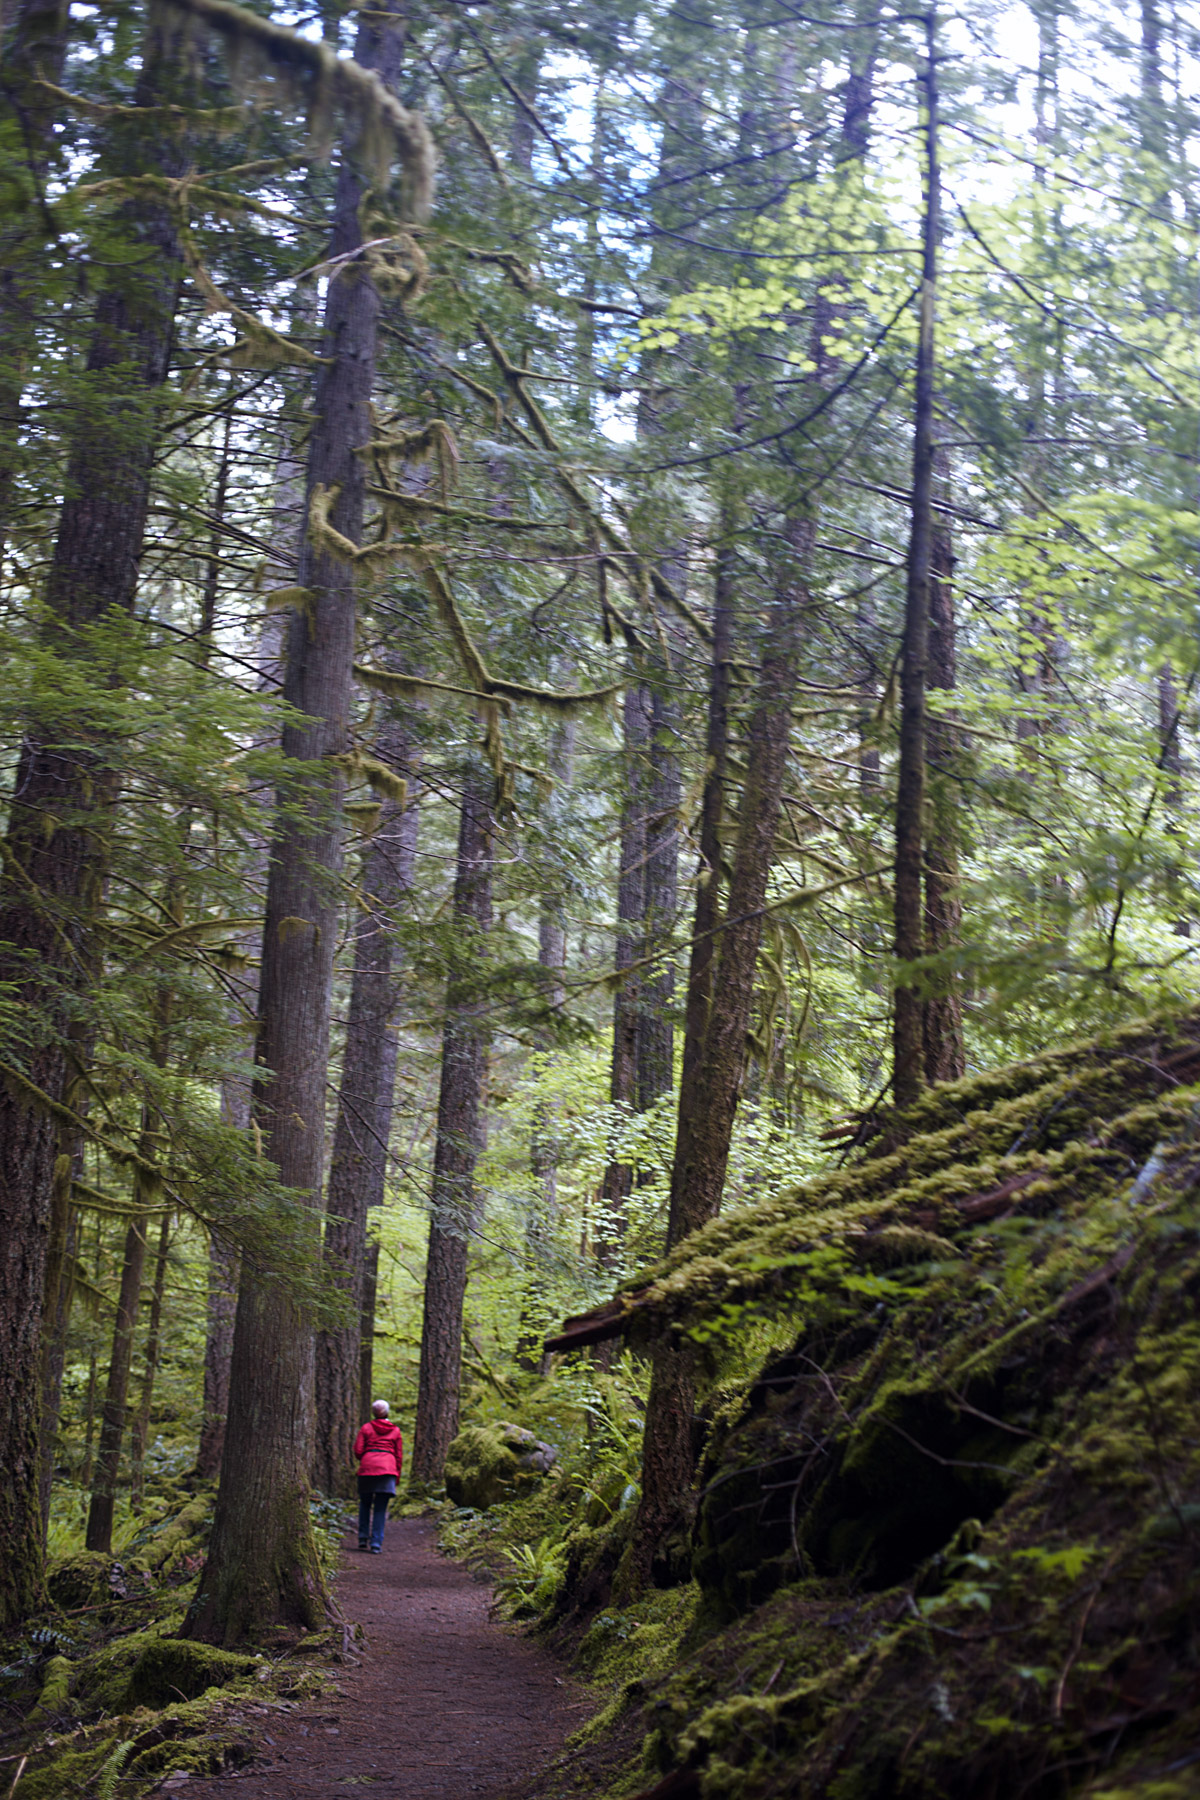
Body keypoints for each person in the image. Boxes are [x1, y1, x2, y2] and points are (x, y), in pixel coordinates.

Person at [353, 1400, 404, 1554]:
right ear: (387, 1412)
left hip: (367, 1469)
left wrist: (369, 1456)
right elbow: (399, 1455)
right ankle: (376, 1543)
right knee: (380, 1508)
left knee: (365, 1503)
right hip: (387, 1469)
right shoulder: (395, 1431)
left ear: (374, 1412)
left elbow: (358, 1451)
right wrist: (397, 1476)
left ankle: (362, 1538)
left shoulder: (366, 1428)